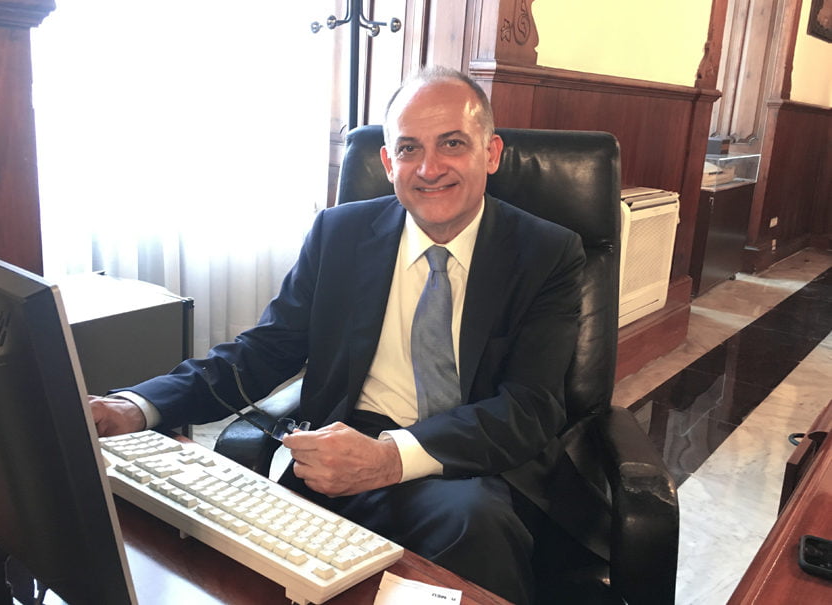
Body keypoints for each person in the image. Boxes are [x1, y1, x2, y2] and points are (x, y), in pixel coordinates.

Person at [90, 65, 584, 604]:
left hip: (469, 459)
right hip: (343, 447)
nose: (430, 168)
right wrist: (138, 407)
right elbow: (263, 350)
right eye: (410, 149)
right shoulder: (339, 233)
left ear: (490, 153)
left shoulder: (546, 252)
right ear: (388, 163)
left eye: (452, 143)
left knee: (475, 524)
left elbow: (530, 406)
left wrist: (391, 458)